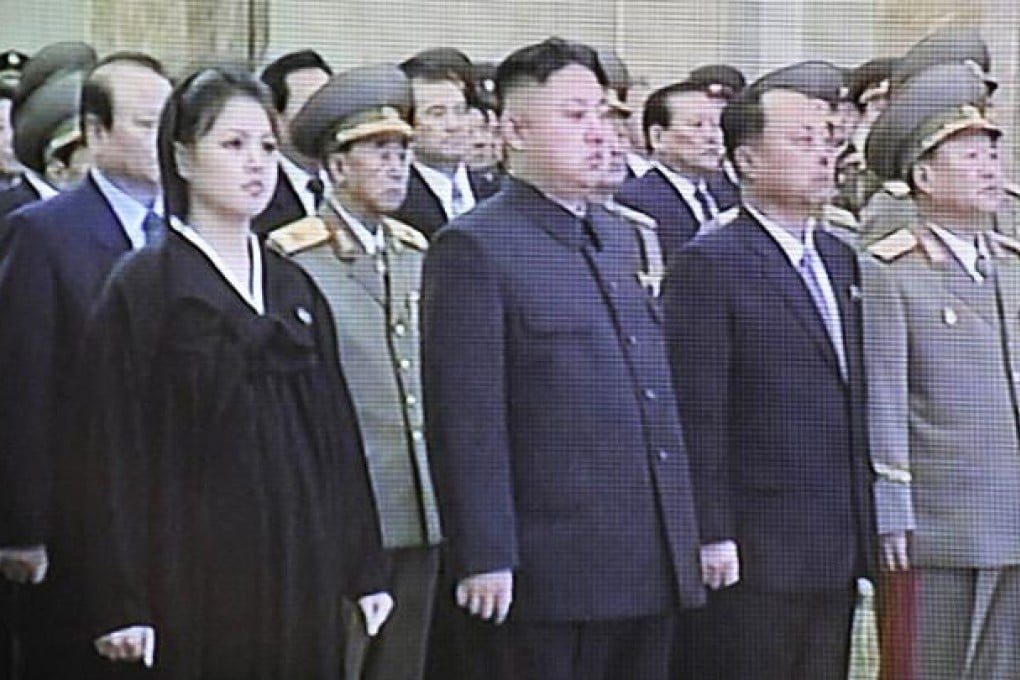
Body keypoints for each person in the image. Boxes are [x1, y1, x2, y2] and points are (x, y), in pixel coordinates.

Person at [79, 66, 391, 678]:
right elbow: (109, 450)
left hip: (301, 555)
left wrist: (363, 565)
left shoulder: (290, 283)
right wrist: (121, 601)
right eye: (233, 144)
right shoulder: (144, 288)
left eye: (268, 147)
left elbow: (336, 433)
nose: (256, 164)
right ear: (184, 158)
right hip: (191, 563)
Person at [421, 37, 704, 680]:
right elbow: (467, 417)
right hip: (550, 569)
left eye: (604, 115)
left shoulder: (618, 235)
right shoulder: (475, 247)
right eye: (574, 117)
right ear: (514, 130)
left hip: (644, 558)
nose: (599, 133)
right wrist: (486, 552)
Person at [663, 80, 875, 679]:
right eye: (803, 140)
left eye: (829, 140)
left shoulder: (839, 257)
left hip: (834, 541)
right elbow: (697, 411)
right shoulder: (710, 262)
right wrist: (711, 533)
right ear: (748, 160)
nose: (824, 154)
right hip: (754, 547)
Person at [0, 51, 171, 679]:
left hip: (175, 516)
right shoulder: (43, 234)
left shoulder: (186, 227)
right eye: (147, 123)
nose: (163, 140)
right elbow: (23, 387)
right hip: (81, 518)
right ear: (95, 133)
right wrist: (22, 527)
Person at [268, 63, 442, 680]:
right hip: (345, 507)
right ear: (337, 166)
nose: (396, 166)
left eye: (401, 152)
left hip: (418, 504)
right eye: (377, 152)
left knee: (404, 664)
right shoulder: (294, 257)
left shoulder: (416, 250)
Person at [862, 76, 1020, 680]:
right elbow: (885, 394)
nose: (990, 168)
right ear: (924, 177)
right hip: (940, 520)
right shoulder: (893, 270)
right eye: (970, 154)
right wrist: (892, 499)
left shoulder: (1007, 264)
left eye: (992, 152)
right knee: (930, 664)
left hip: (1009, 509)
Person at [616, 79, 729, 261]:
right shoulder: (634, 201)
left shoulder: (728, 196)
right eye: (697, 125)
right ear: (658, 137)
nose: (712, 137)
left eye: (716, 126)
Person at [395, 49, 500, 238]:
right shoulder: (396, 200)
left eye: (460, 111)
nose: (453, 125)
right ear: (407, 122)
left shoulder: (499, 192)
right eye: (437, 113)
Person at [253, 50, 332, 236]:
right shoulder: (258, 193)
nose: (325, 118)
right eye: (310, 106)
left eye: (328, 104)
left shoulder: (351, 183)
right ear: (274, 117)